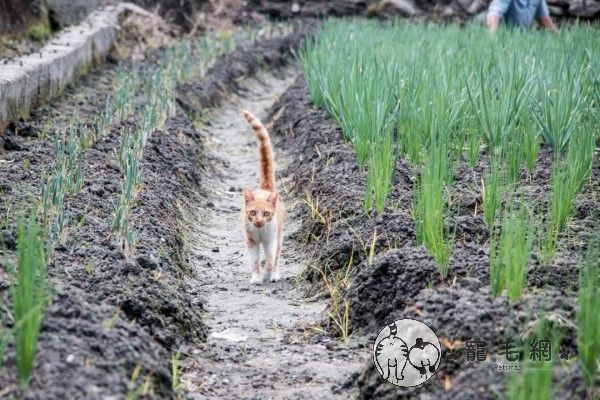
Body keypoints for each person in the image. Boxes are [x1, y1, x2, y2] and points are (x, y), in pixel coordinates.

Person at [487, 0, 559, 33]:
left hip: (524, 37)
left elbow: (544, 19)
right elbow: (494, 13)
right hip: (506, 37)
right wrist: (493, 34)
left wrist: (559, 37)